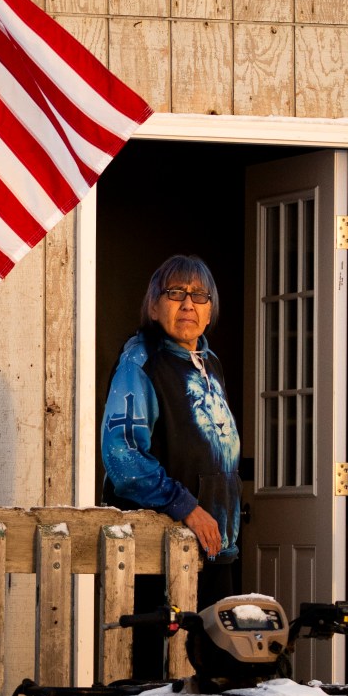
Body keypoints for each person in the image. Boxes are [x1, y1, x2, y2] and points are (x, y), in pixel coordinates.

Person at [101, 255, 244, 602]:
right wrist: (187, 507)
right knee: (160, 655)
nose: (188, 304)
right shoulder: (141, 362)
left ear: (209, 312)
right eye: (176, 292)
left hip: (212, 548)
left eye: (199, 295)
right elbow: (123, 456)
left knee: (211, 651)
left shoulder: (210, 364)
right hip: (159, 551)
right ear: (153, 306)